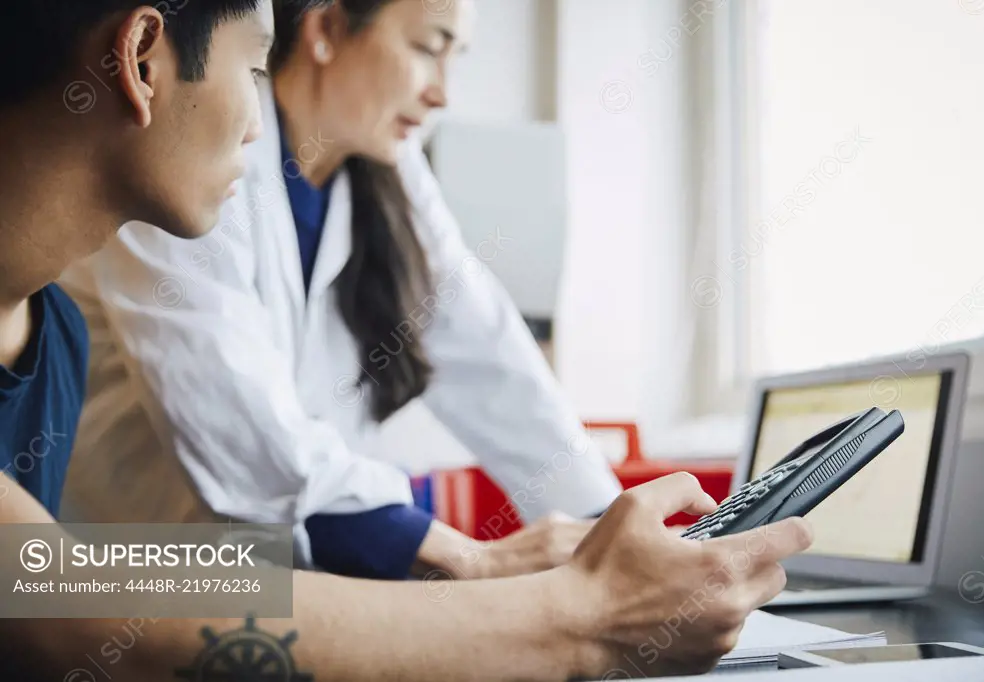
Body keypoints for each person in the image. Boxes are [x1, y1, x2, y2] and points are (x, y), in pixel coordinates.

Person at [0, 1, 815, 679]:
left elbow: (78, 582)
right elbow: (67, 594)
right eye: (253, 65)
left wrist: (611, 533)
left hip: (239, 574)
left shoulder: (54, 333)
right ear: (142, 60)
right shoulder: (172, 218)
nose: (254, 124)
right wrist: (567, 611)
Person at [58, 0, 624, 581]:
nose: (442, 95)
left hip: (282, 580)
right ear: (325, 30)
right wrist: (470, 558)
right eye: (429, 48)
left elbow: (489, 351)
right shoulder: (185, 163)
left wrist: (609, 524)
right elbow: (244, 427)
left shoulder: (386, 171)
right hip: (122, 578)